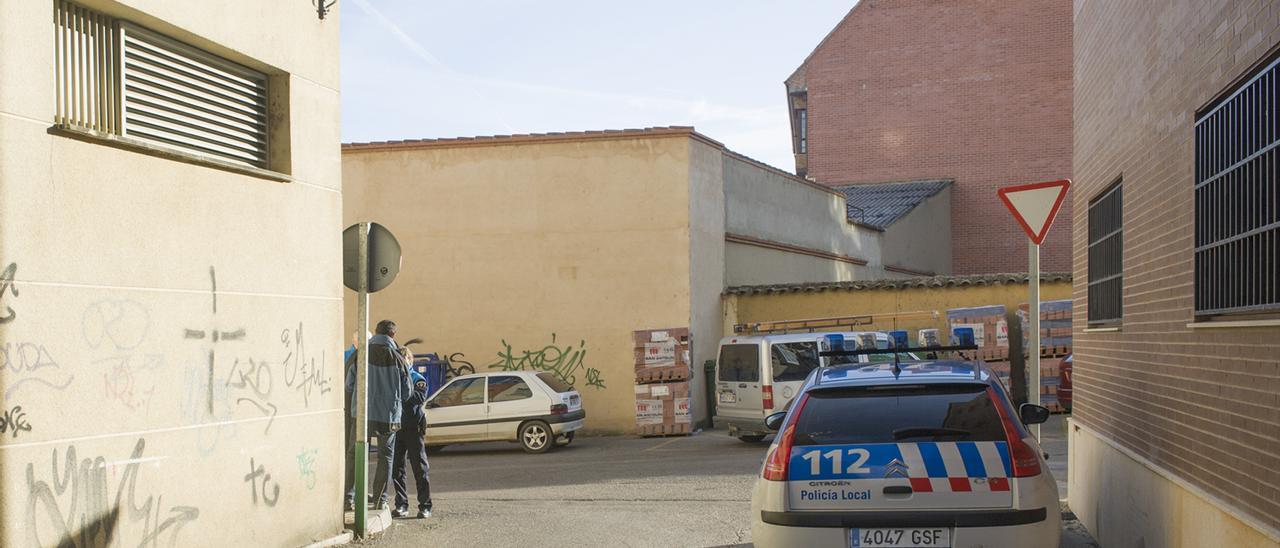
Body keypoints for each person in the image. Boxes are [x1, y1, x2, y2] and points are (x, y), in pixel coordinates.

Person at [344, 320, 413, 511]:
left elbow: (348, 385)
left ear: (375, 332)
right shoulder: (398, 358)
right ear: (393, 336)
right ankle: (380, 500)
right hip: (388, 416)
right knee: (385, 457)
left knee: (354, 454)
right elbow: (408, 392)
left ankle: (349, 498)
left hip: (362, 414)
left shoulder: (361, 355)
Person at [392, 345, 433, 519]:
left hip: (413, 428)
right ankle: (401, 504)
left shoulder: (418, 378)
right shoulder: (393, 379)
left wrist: (399, 394)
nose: (402, 363)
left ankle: (425, 505)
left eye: (405, 360)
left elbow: (418, 398)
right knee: (397, 469)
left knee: (420, 468)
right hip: (396, 428)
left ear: (410, 361)